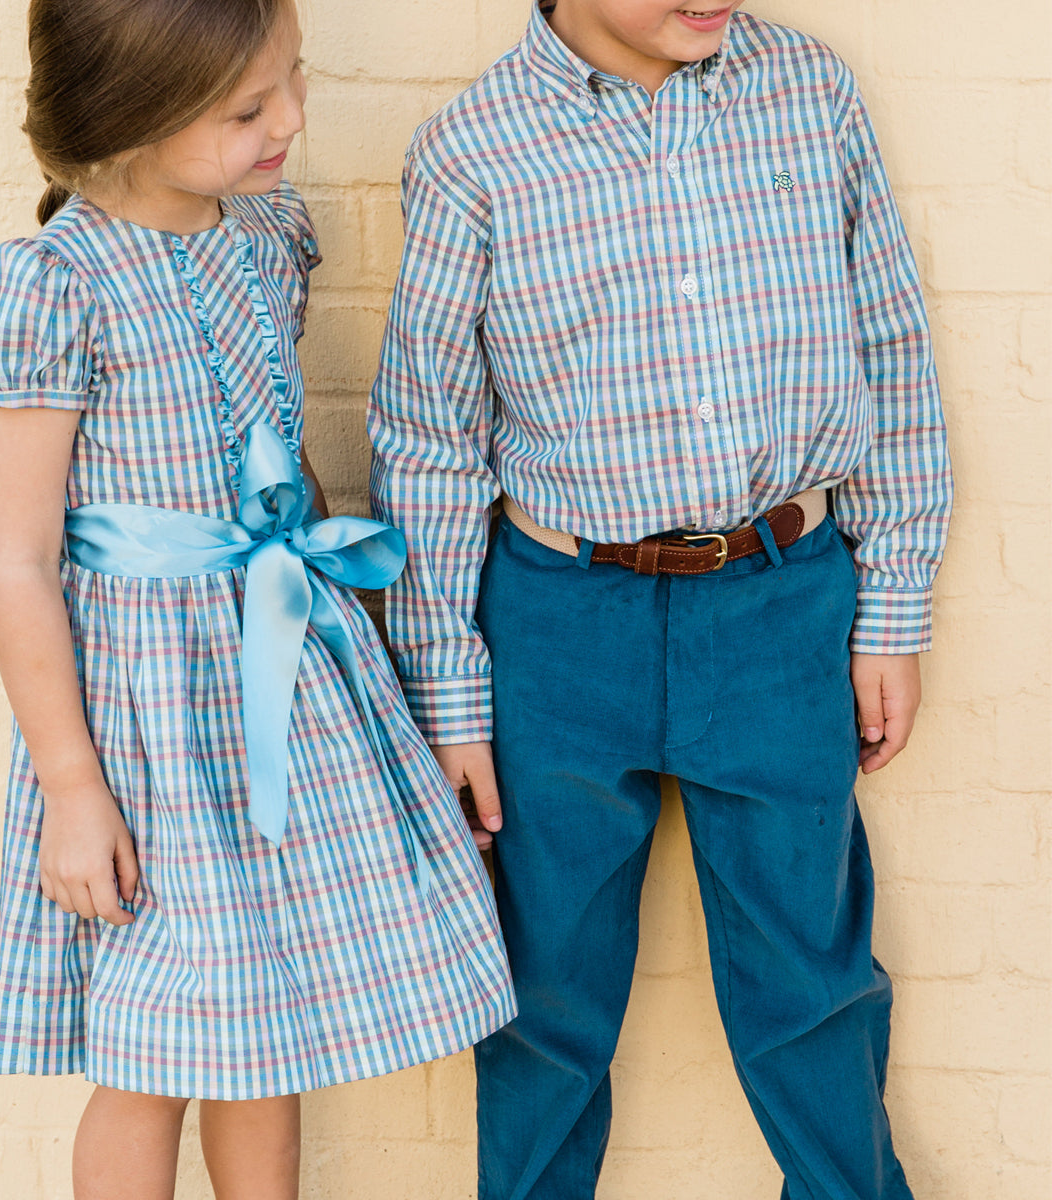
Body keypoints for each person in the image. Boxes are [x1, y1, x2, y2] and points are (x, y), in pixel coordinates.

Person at [368, 1, 952, 1197]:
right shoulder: (475, 149)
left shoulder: (808, 95)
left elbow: (887, 341)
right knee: (543, 998)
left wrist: (892, 598)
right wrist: (452, 696)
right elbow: (429, 437)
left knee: (813, 982)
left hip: (781, 606)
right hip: (561, 626)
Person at [0, 1, 515, 1197]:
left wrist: (360, 652)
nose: (292, 122)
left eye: (292, 84)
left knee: (267, 1038)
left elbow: (282, 462)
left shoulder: (264, 238)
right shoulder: (54, 287)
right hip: (150, 720)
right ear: (132, 116)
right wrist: (70, 786)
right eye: (250, 108)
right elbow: (18, 561)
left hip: (290, 675)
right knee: (153, 1048)